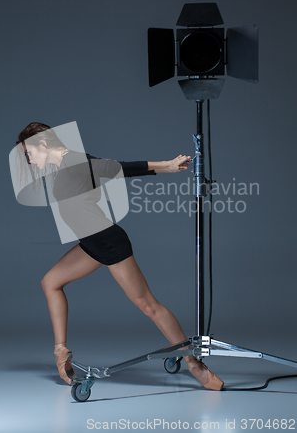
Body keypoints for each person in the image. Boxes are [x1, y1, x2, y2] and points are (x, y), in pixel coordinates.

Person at [16, 122, 224, 391]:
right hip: (91, 243)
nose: (28, 158)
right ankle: (60, 352)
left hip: (108, 242)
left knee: (147, 305)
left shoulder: (76, 161)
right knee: (50, 282)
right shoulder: (63, 166)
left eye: (28, 151)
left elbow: (119, 168)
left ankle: (193, 362)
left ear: (42, 143)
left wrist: (167, 166)